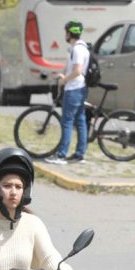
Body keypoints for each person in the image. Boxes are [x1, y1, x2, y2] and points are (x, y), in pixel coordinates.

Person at [46, 20, 89, 165]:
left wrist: (64, 80)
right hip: (80, 87)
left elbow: (77, 70)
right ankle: (79, 155)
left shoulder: (77, 49)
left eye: (66, 32)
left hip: (74, 89)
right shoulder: (83, 48)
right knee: (80, 121)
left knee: (67, 122)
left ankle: (61, 155)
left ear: (70, 33)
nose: (65, 35)